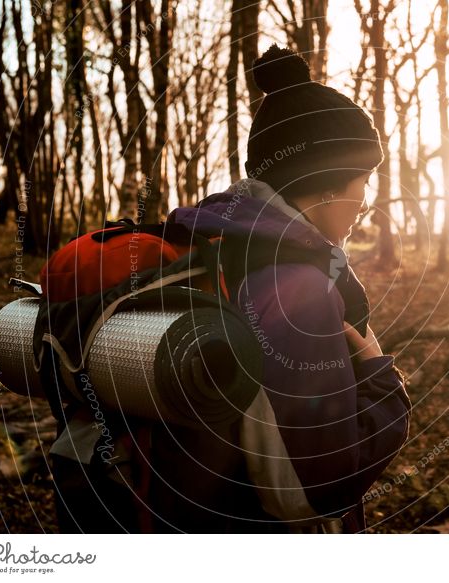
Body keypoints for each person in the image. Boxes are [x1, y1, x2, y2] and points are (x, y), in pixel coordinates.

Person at [162, 44, 412, 533]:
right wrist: (387, 390)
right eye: (362, 182)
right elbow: (312, 488)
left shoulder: (218, 243)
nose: (364, 201)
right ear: (327, 186)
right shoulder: (295, 284)